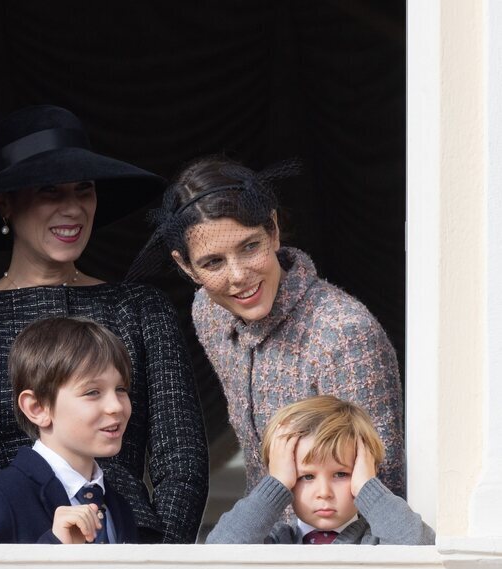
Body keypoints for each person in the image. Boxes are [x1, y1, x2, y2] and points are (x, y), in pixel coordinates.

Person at [0, 105, 208, 544]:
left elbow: (180, 457)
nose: (72, 208)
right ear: (4, 203)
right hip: (1, 556)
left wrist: (157, 563)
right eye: (50, 191)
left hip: (129, 547)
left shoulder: (140, 307)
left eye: (83, 189)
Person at [130, 155, 404, 499]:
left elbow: (383, 488)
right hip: (266, 542)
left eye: (249, 246)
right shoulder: (210, 311)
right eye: (213, 262)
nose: (239, 275)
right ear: (186, 267)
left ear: (272, 231)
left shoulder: (343, 334)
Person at [0, 317, 140, 544]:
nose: (116, 406)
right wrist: (52, 544)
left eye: (121, 389)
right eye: (92, 392)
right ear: (37, 408)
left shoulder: (117, 504)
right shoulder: (2, 496)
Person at [206, 396, 433, 545]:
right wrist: (276, 483)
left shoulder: (374, 542)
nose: (323, 492)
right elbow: (219, 550)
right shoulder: (277, 543)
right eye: (306, 476)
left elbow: (419, 545)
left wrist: (367, 486)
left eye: (340, 474)